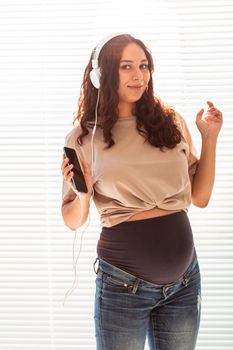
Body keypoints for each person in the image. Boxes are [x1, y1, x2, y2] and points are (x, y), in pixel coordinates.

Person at [60, 33, 223, 350]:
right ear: (101, 74)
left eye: (144, 65)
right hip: (123, 286)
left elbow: (198, 197)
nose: (139, 76)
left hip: (185, 282)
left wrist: (210, 137)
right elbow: (72, 220)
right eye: (126, 67)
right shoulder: (82, 137)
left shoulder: (170, 122)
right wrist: (83, 196)